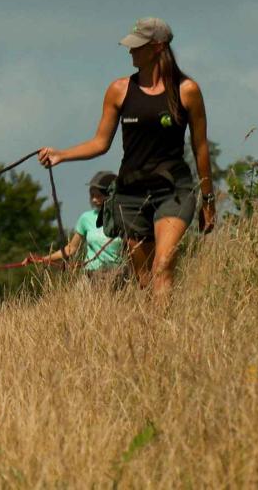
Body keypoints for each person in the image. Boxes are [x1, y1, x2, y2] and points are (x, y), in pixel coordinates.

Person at [37, 17, 216, 306]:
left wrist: (208, 200)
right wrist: (61, 155)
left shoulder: (187, 91)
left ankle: (163, 340)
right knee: (144, 280)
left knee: (163, 267)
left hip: (173, 191)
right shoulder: (119, 90)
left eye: (137, 46)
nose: (130, 51)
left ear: (157, 47)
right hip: (130, 194)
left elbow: (200, 146)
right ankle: (151, 335)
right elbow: (100, 142)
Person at [27, 171, 124, 284]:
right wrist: (43, 259)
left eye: (99, 196)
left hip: (118, 275)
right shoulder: (85, 218)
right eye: (92, 195)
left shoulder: (123, 217)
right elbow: (71, 248)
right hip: (90, 275)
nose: (94, 200)